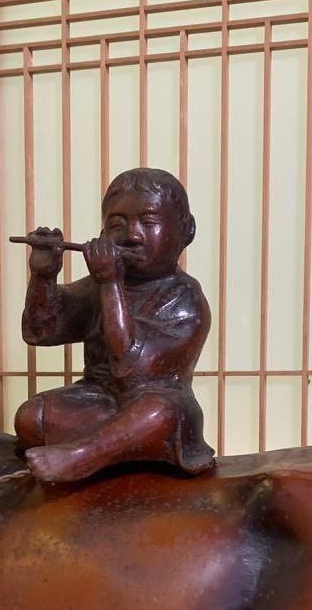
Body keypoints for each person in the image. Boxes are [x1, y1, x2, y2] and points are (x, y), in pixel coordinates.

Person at [14, 167, 216, 484]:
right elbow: (40, 332)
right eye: (116, 225)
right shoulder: (95, 287)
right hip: (101, 403)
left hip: (152, 407)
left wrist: (110, 283)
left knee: (160, 413)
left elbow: (131, 371)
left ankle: (81, 456)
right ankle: (113, 448)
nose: (132, 235)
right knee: (31, 416)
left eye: (148, 222)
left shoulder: (185, 298)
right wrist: (44, 277)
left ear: (185, 231)